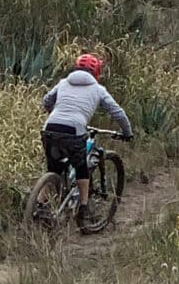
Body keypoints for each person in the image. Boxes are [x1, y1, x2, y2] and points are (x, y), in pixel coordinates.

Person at [40, 51, 132, 199]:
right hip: (74, 131)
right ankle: (83, 208)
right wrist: (127, 132)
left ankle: (39, 207)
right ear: (96, 73)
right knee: (81, 168)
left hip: (49, 128)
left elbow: (46, 101)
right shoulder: (98, 89)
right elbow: (118, 112)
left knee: (54, 169)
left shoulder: (63, 83)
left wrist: (56, 114)